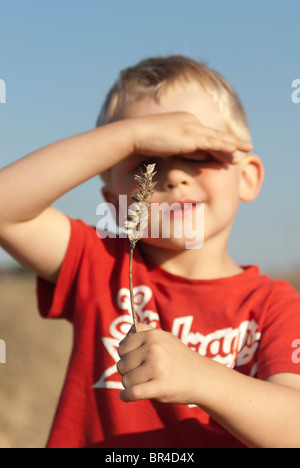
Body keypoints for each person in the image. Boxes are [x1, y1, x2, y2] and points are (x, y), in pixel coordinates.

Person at [0, 55, 300, 449]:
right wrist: (130, 135)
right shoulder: (100, 261)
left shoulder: (274, 305)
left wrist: (203, 378)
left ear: (247, 177)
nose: (173, 176)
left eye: (198, 155)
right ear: (112, 202)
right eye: (146, 161)